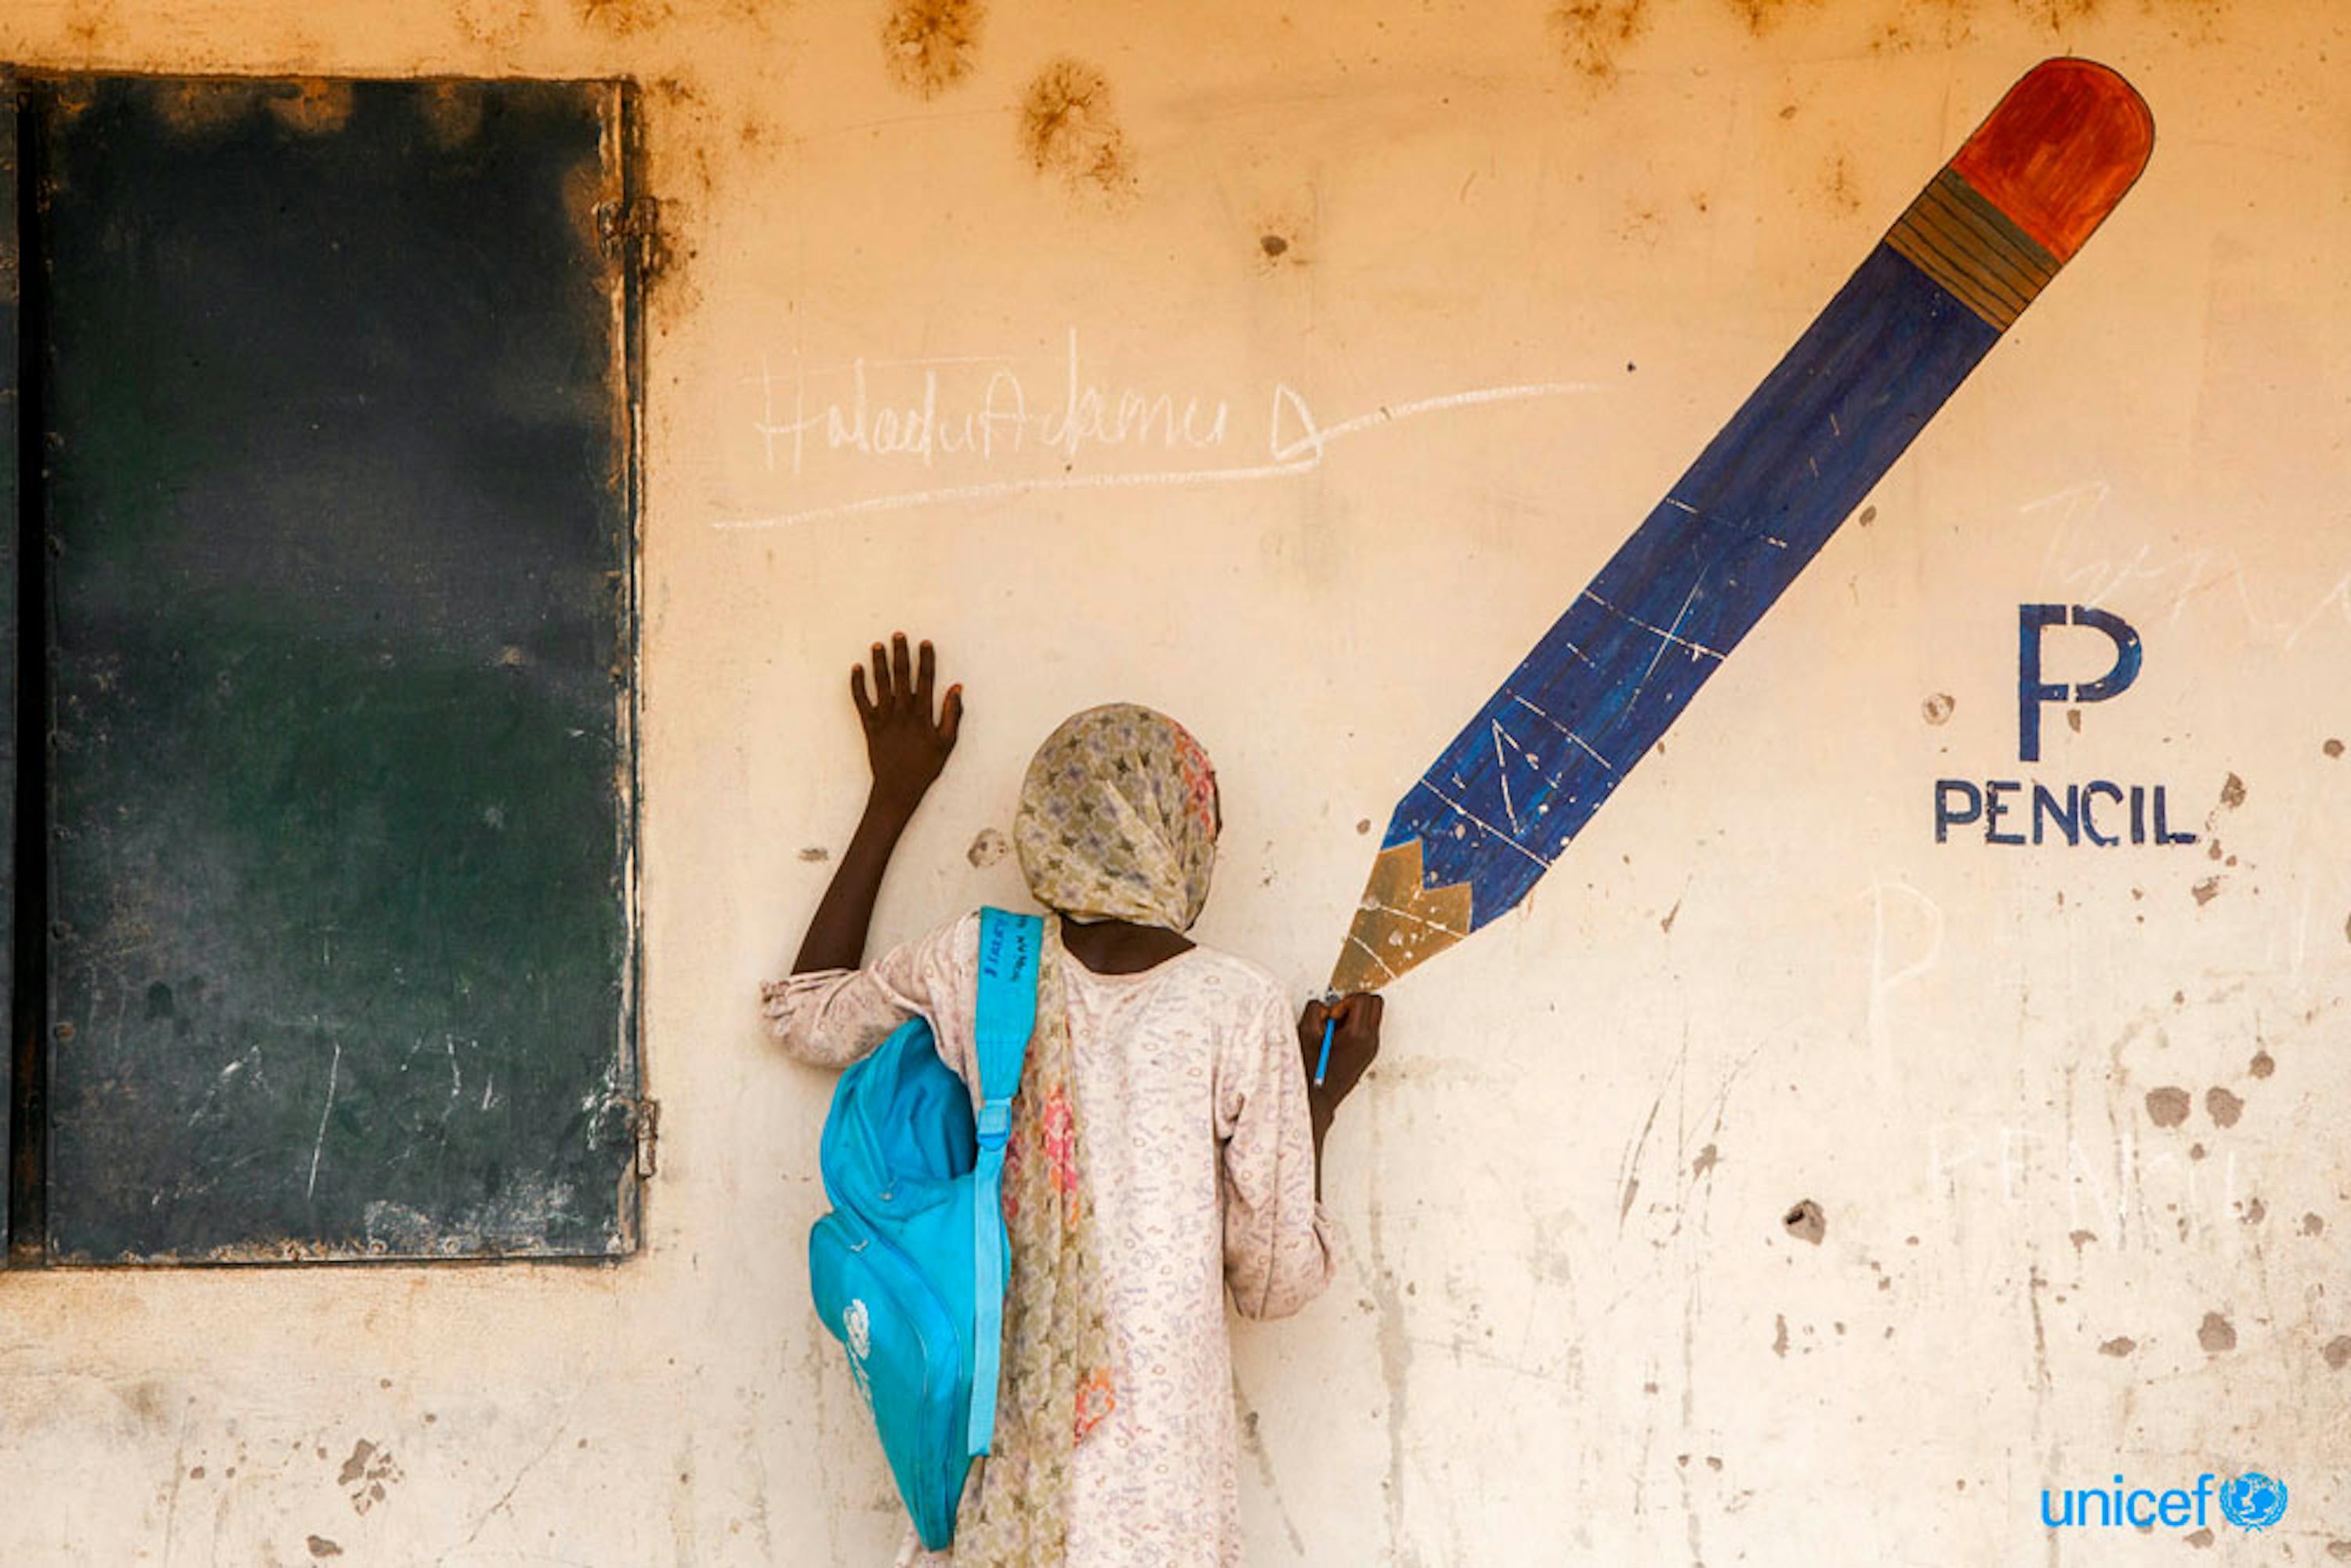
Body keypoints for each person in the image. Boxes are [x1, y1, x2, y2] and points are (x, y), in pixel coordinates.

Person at [764, 632, 1384, 1567]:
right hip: (1159, 1493)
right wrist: (1319, 1103)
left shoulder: (981, 961)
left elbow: (805, 1016)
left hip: (1002, 1457)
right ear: (1172, 836)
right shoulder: (1235, 1005)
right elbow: (1274, 1280)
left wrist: (894, 798)